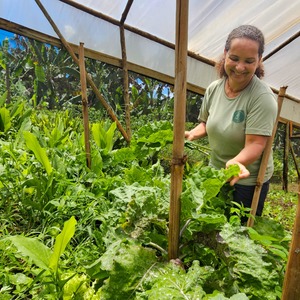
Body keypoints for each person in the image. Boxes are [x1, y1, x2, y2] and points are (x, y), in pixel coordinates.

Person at [185, 25, 277, 218]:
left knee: (236, 234)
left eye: (249, 61)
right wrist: (192, 134)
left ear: (259, 60)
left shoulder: (262, 98)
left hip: (246, 180)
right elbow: (206, 123)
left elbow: (256, 143)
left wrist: (235, 162)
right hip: (216, 172)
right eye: (234, 58)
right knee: (208, 227)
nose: (240, 67)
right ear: (225, 54)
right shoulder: (214, 89)